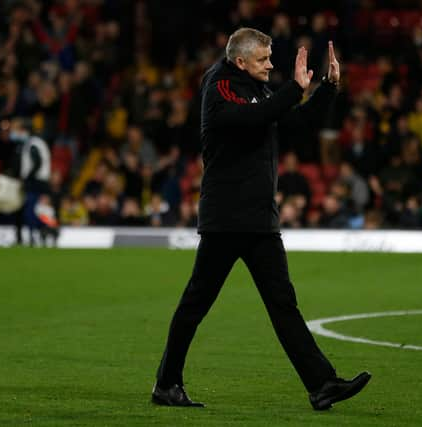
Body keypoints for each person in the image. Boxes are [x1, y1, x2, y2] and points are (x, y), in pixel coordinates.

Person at [152, 28, 370, 410]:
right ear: (240, 61)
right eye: (263, 59)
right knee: (195, 304)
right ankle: (166, 384)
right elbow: (251, 119)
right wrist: (294, 91)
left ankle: (321, 384)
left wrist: (328, 90)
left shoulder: (261, 90)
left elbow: (294, 124)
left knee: (283, 303)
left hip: (258, 220)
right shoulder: (219, 86)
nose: (271, 65)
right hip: (226, 219)